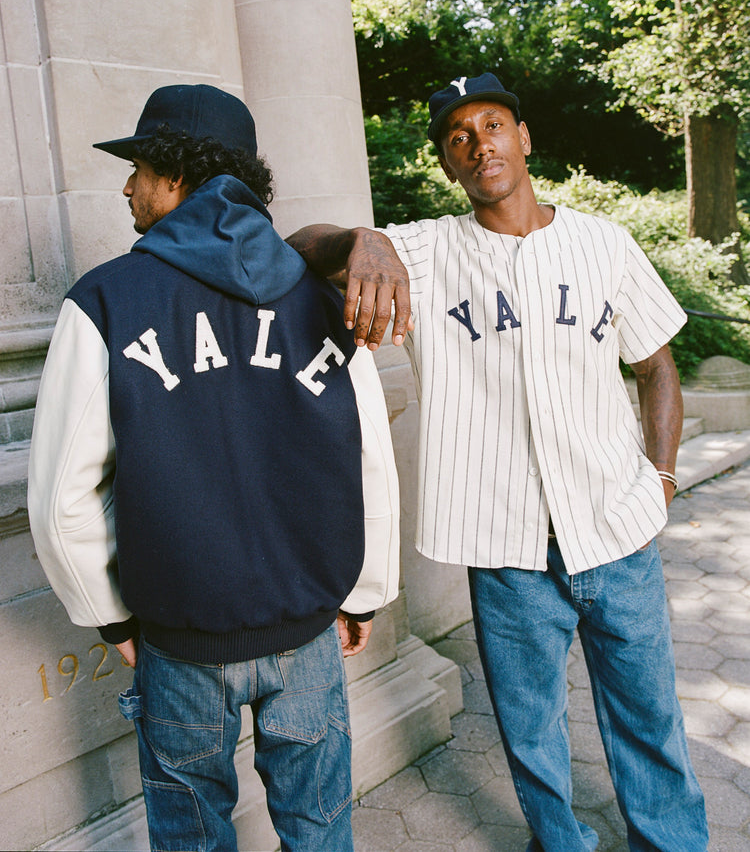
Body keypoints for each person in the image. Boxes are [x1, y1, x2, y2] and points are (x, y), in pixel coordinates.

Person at [287, 73, 709, 851]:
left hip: (616, 526)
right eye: (459, 136)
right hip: (504, 543)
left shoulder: (604, 242)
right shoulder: (423, 249)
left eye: (494, 124)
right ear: (449, 164)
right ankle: (562, 841)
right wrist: (363, 239)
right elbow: (297, 249)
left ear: (524, 138)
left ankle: (672, 843)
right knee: (532, 730)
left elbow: (657, 367)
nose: (480, 142)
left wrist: (662, 480)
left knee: (649, 717)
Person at [27, 83, 400, 852]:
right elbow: (368, 463)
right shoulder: (325, 301)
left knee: (192, 839)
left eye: (138, 168)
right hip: (307, 636)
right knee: (321, 833)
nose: (127, 186)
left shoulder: (104, 300)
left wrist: (112, 614)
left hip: (180, 643)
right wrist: (365, 595)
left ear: (174, 174)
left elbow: (63, 498)